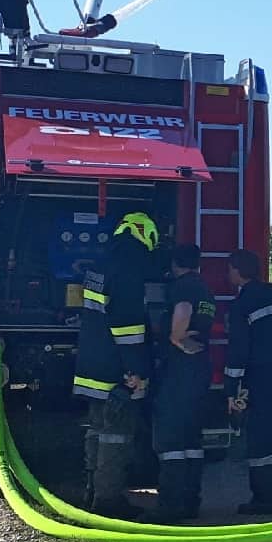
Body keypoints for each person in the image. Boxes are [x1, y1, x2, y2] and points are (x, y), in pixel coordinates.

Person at [73, 212, 157, 518]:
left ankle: (92, 492)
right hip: (116, 372)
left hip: (91, 366)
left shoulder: (99, 266)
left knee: (96, 430)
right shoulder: (129, 270)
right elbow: (128, 327)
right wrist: (136, 372)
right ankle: (108, 502)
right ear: (143, 236)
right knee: (116, 434)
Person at [223, 248, 272, 515]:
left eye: (229, 269)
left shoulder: (241, 306)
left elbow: (237, 352)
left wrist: (231, 390)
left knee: (260, 439)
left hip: (258, 380)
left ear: (236, 271)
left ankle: (265, 500)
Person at [152, 243, 215, 521]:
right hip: (199, 369)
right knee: (191, 437)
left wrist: (175, 338)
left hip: (178, 369)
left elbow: (183, 310)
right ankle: (191, 502)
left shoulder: (183, 286)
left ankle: (170, 506)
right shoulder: (204, 287)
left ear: (176, 264)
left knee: (170, 435)